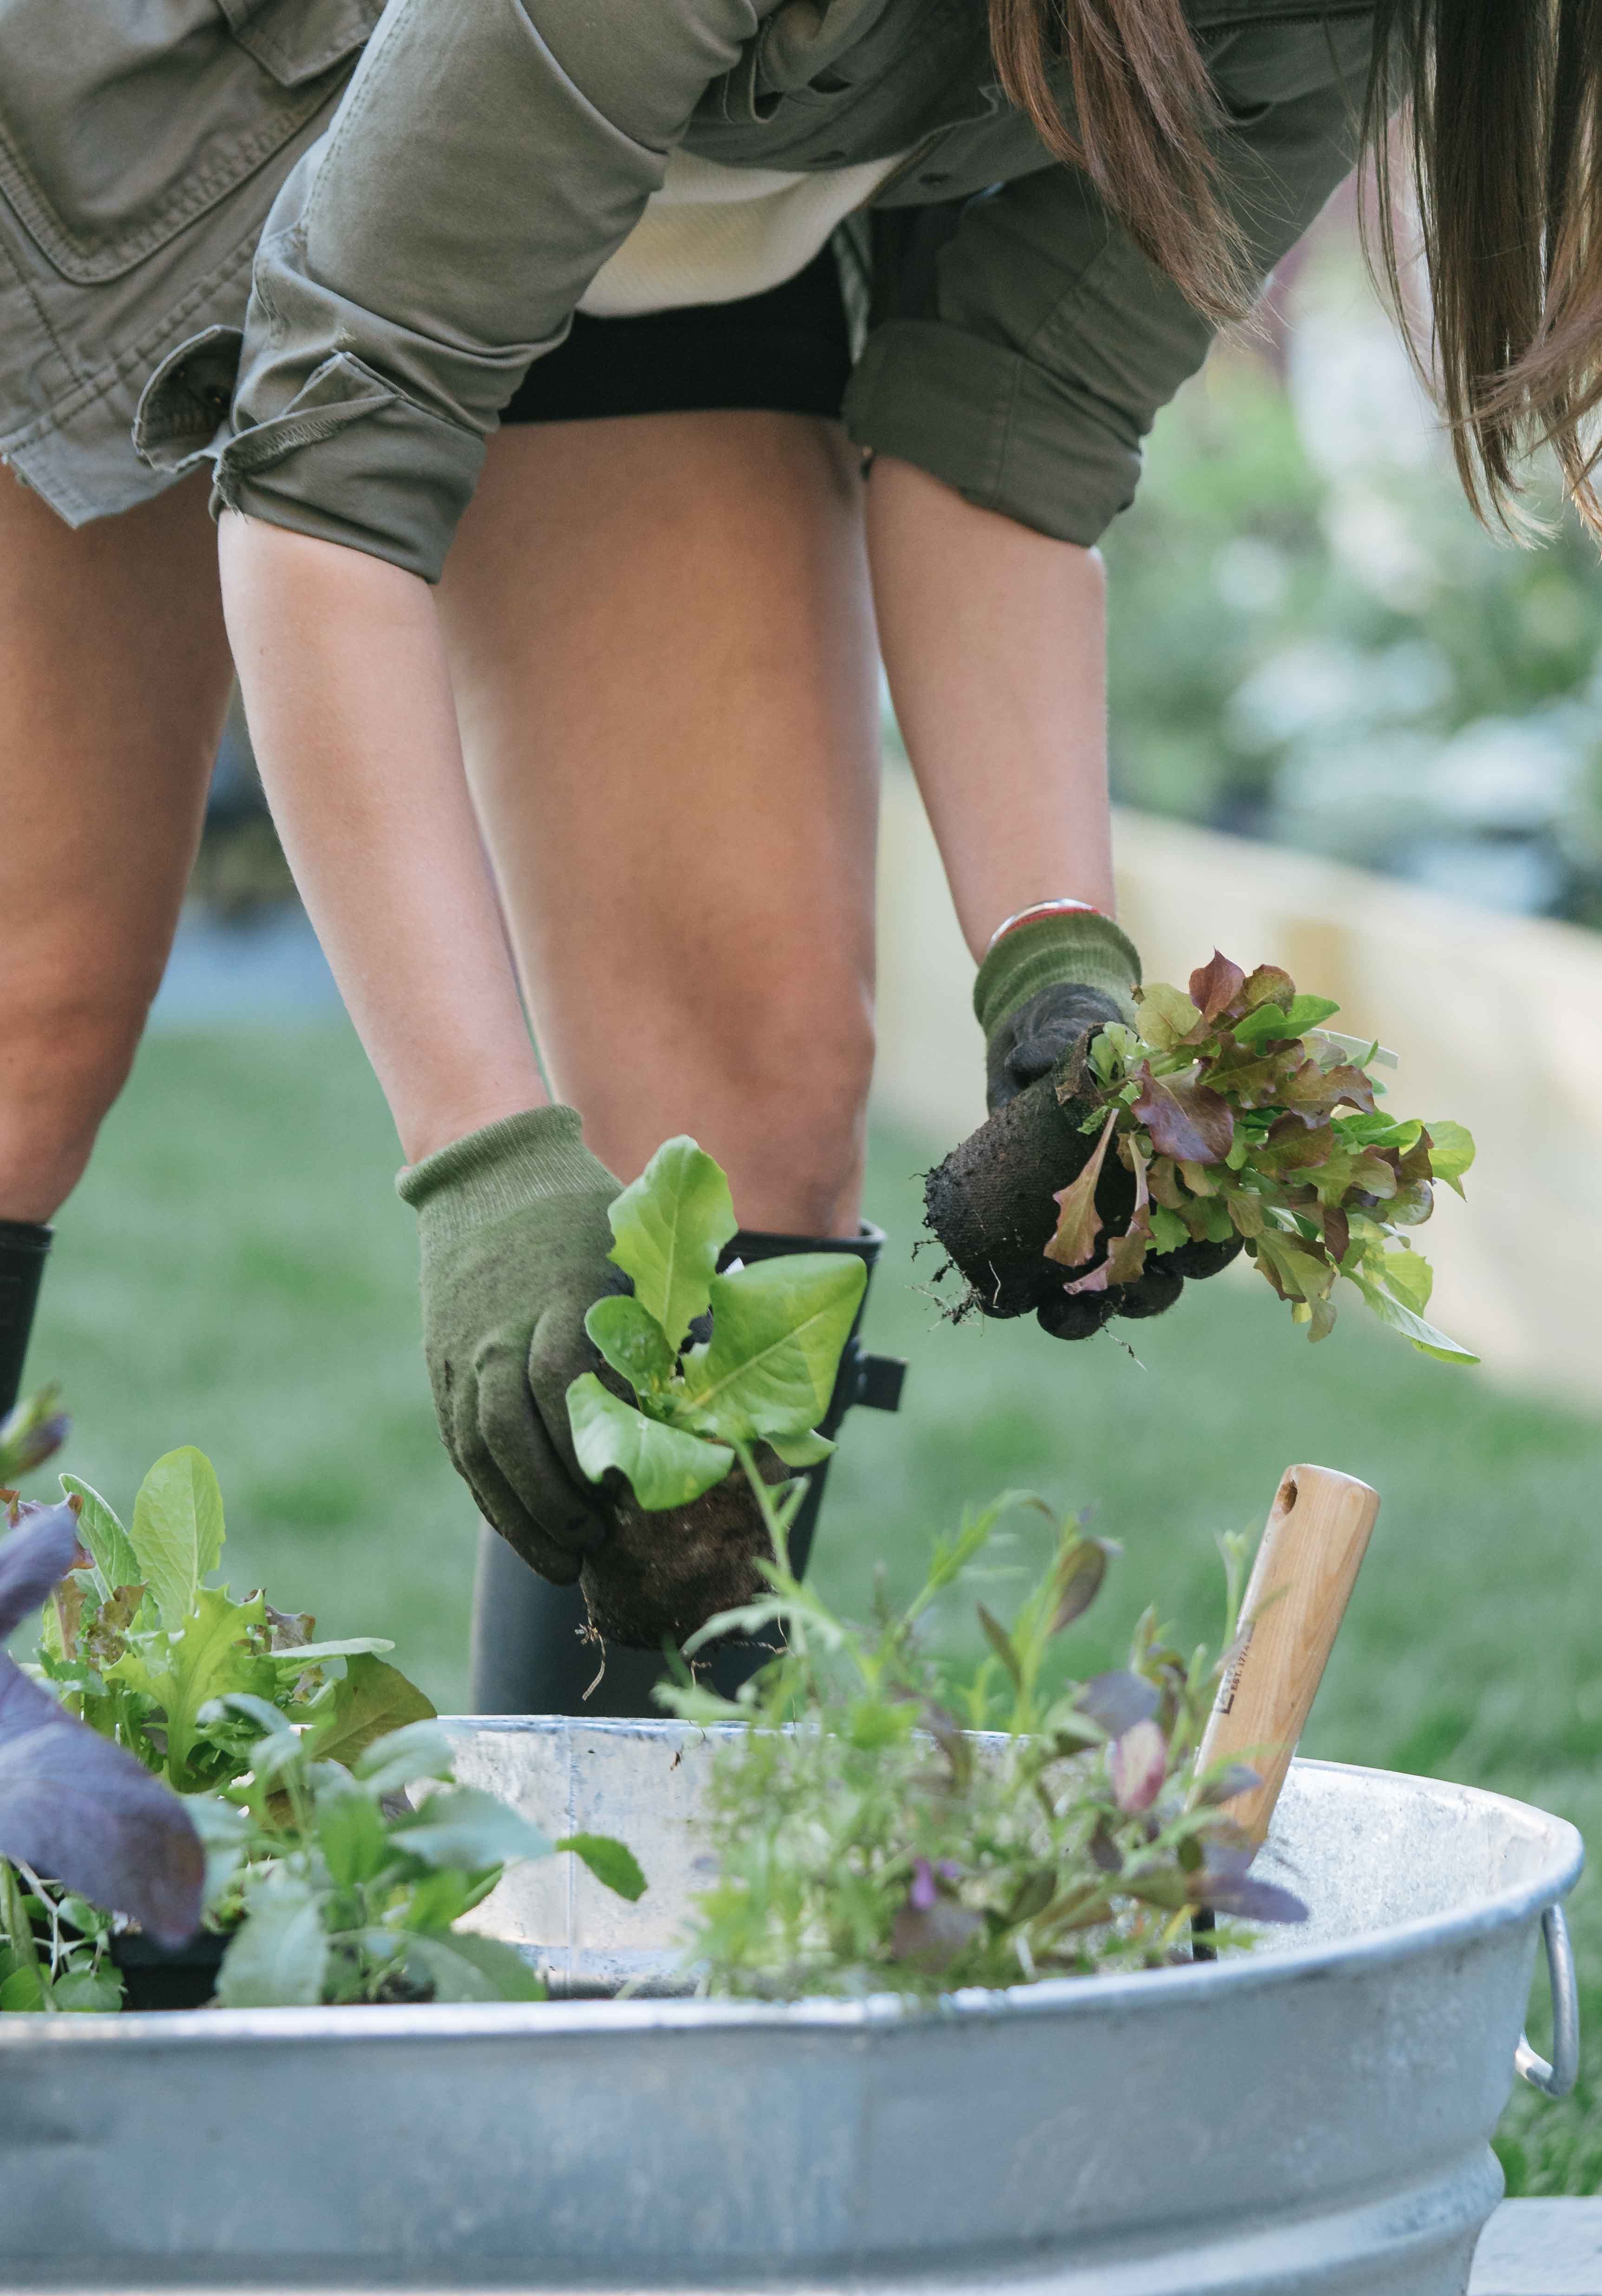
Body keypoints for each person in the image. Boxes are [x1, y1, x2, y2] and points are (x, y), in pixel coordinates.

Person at [3, 2, 1595, 1703]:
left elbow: (1021, 413)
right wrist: (477, 1162)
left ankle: (633, 1943)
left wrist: (1059, 985)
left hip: (618, 205)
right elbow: (342, 440)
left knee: (743, 1123)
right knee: (39, 1007)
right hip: (165, 125)